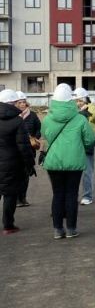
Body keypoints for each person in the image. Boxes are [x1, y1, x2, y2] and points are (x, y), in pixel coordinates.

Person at [41, 83, 95, 240]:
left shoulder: (48, 119)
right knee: (71, 194)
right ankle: (71, 229)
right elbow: (89, 140)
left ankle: (58, 230)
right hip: (74, 161)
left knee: (57, 194)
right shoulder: (80, 119)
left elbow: (45, 136)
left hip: (54, 161)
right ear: (71, 100)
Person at [0, 89, 35, 234]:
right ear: (12, 103)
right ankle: (8, 225)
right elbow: (23, 146)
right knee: (10, 195)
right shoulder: (17, 121)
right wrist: (30, 165)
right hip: (12, 164)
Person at [72, 87, 95, 205]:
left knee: (87, 171)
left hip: (87, 143)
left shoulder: (90, 109)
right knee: (73, 171)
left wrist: (89, 106)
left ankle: (87, 196)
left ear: (86, 100)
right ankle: (72, 196)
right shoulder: (74, 110)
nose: (78, 103)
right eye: (77, 101)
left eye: (81, 100)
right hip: (75, 142)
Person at [15, 91, 41, 207]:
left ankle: (23, 198)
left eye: (24, 102)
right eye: (19, 102)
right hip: (16, 150)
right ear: (15, 103)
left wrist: (35, 137)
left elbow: (39, 128)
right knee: (16, 175)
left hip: (29, 150)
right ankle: (16, 199)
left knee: (25, 175)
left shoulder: (33, 115)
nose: (22, 104)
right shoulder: (13, 116)